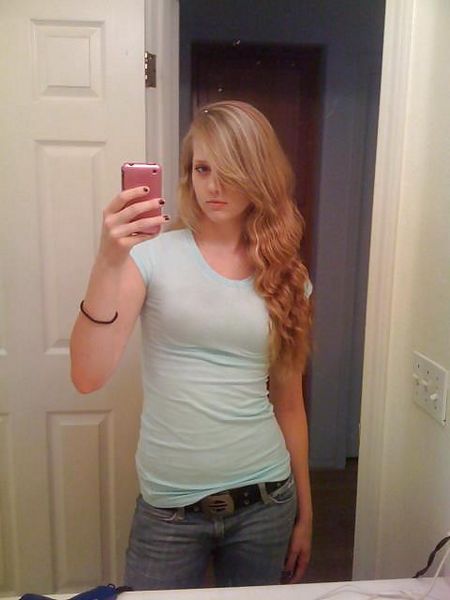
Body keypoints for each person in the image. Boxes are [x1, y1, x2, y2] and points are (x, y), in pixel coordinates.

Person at [70, 100, 313, 590]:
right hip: (170, 512)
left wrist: (305, 514)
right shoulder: (151, 258)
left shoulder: (288, 275)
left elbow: (289, 403)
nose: (214, 186)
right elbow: (87, 376)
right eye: (202, 169)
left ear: (258, 173)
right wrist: (108, 260)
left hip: (266, 500)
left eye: (230, 169)